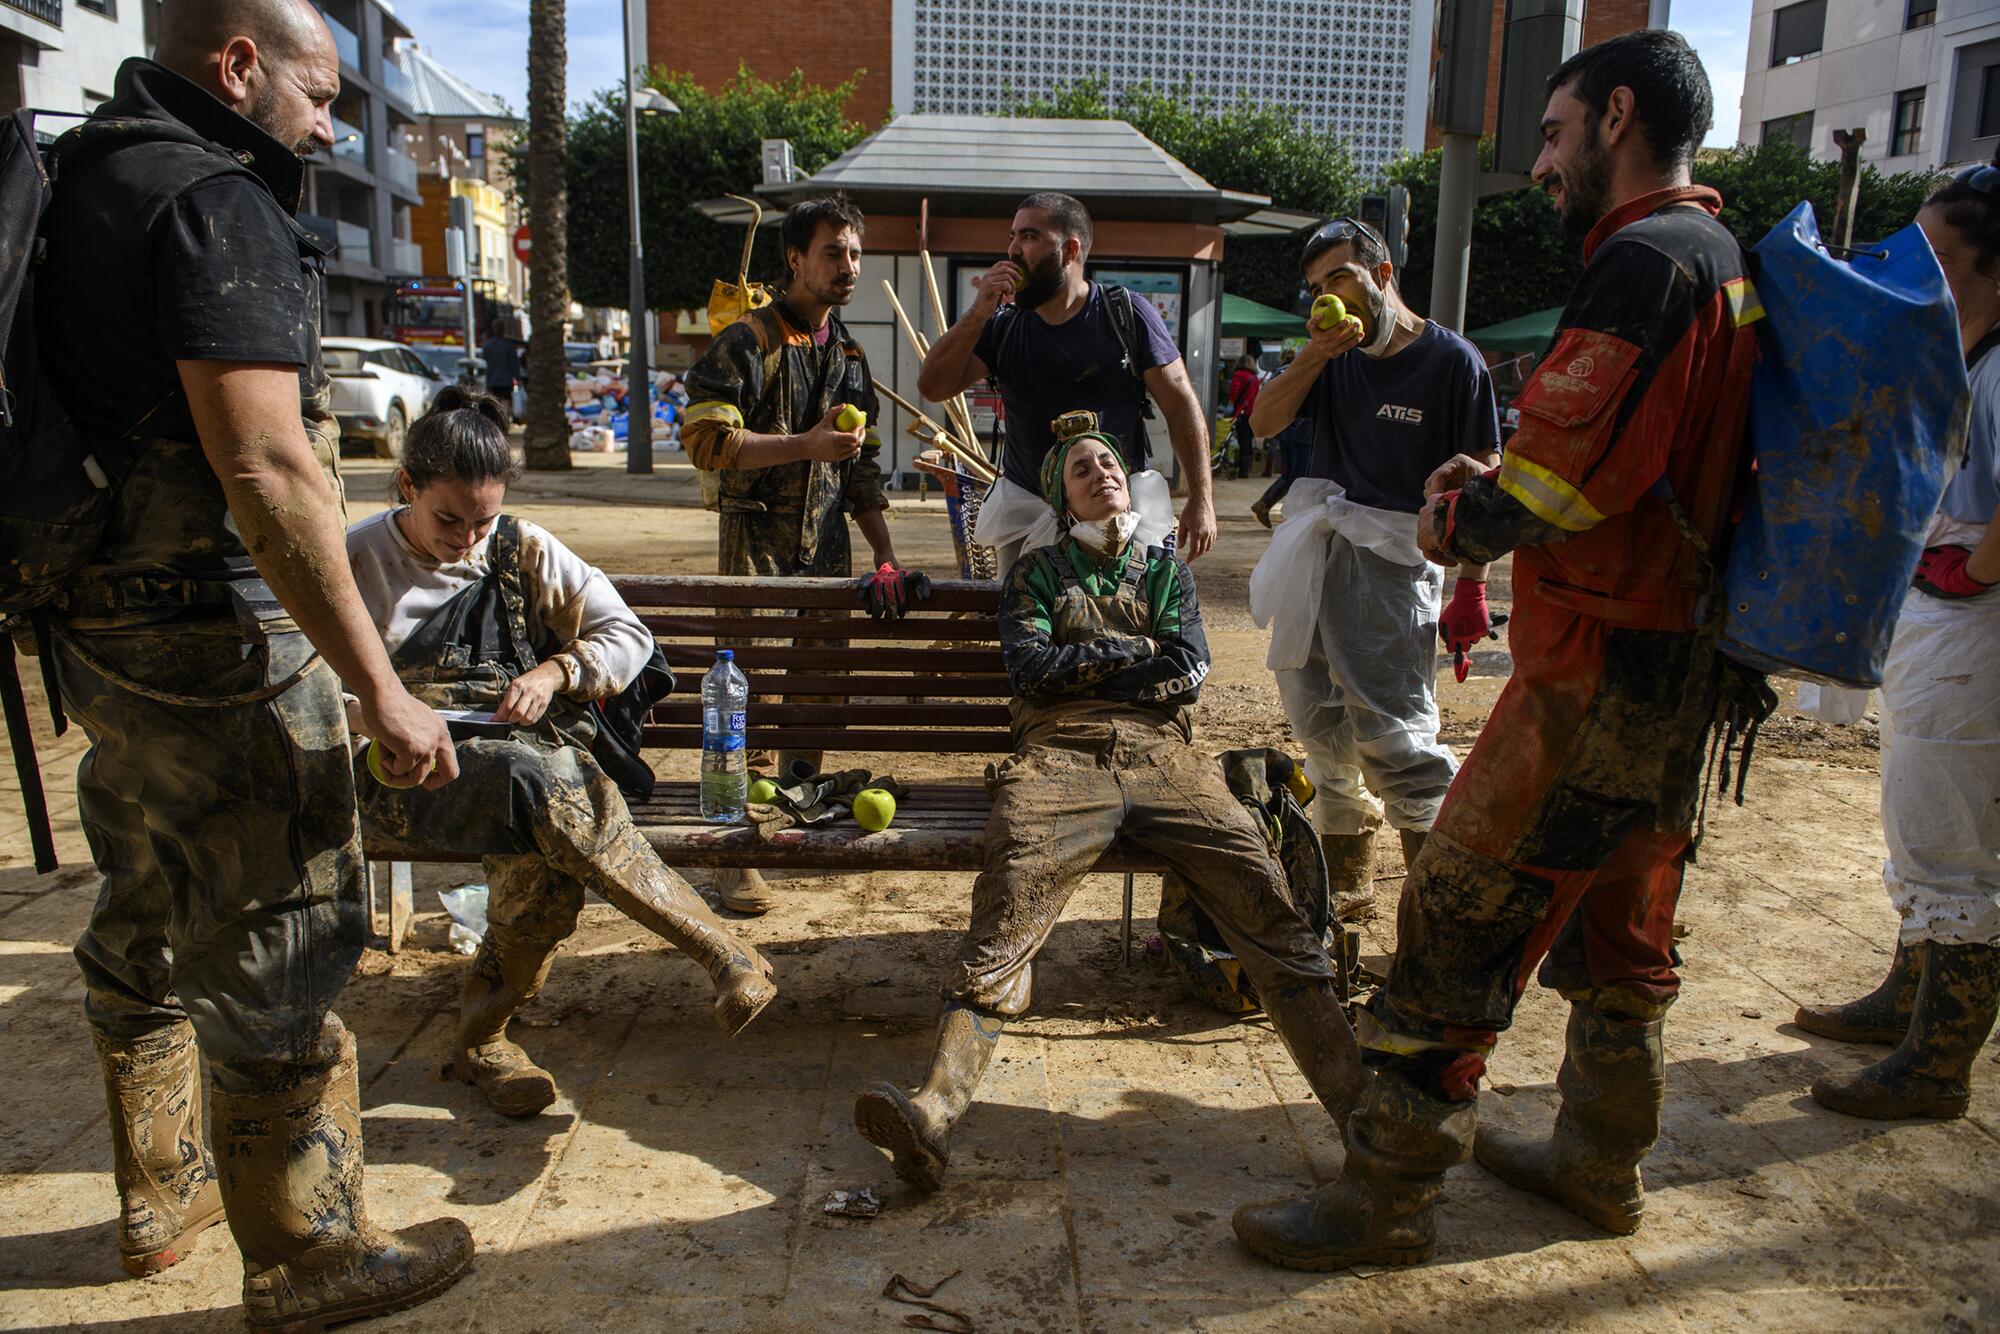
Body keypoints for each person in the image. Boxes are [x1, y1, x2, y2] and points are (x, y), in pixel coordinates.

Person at [1233, 31, 1760, 1269]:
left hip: (1597, 664)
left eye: (1555, 130)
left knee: (1458, 910)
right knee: (1626, 912)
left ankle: (1388, 1193)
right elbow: (1637, 457)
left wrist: (1455, 516)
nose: (1539, 162)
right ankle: (1597, 1154)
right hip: (1687, 651)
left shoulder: (1641, 260)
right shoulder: (1724, 258)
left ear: (1616, 116)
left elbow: (1555, 482)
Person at [34, 1, 472, 1322]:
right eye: (320, 93)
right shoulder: (211, 200)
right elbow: (269, 465)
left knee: (150, 893)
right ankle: (309, 1254)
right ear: (236, 66)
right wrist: (378, 679)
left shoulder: (73, 179)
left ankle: (158, 1194)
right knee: (285, 921)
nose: (330, 126)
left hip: (96, 624)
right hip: (215, 635)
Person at [851, 415, 1365, 1192]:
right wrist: (1133, 653)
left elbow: (1186, 671)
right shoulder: (1035, 572)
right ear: (1061, 496)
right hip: (1057, 760)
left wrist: (1092, 660)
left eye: (1109, 462)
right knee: (1008, 905)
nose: (1101, 473)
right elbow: (1031, 672)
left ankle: (1365, 1118)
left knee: (1265, 900)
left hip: (1166, 758)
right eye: (1082, 469)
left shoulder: (1166, 568)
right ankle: (932, 1112)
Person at [346, 389, 779, 1118]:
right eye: (447, 519)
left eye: (482, 520)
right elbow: (297, 681)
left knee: (545, 877)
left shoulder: (521, 547)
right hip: (397, 779)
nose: (466, 540)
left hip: (518, 779)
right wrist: (372, 717)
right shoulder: (353, 559)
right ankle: (721, 951)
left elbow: (627, 636)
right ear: (406, 488)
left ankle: (484, 1041)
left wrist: (556, 672)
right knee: (541, 774)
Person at [1792, 158, 2000, 1120]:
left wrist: (1975, 571)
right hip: (1944, 617)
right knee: (1917, 819)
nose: (1918, 272)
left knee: (1951, 841)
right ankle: (1906, 1003)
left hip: (1974, 626)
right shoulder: (1965, 356)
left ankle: (1938, 1062)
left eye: (1940, 257)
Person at [1246, 218, 1501, 926]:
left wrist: (1472, 587)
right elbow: (1265, 421)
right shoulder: (1332, 359)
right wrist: (1313, 357)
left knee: (1397, 737)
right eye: (1317, 288)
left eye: (1341, 280)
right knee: (1319, 720)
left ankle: (1439, 913)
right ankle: (1348, 883)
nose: (1328, 297)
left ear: (1383, 275)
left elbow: (1481, 484)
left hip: (1395, 564)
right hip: (1316, 550)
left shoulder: (1453, 363)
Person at [682, 193, 918, 915]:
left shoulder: (847, 354)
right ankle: (732, 842)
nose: (848, 267)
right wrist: (804, 444)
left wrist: (883, 557)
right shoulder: (744, 343)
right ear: (794, 259)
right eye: (832, 253)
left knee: (818, 688)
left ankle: (794, 804)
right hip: (753, 544)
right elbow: (705, 440)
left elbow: (865, 472)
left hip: (829, 551)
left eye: (854, 253)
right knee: (738, 696)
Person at [918, 191, 1218, 569]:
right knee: (1025, 627)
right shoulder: (1003, 326)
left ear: (1070, 250)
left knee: (1127, 624)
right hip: (1028, 521)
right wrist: (980, 310)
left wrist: (1201, 497)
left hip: (1117, 521)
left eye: (1028, 237)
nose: (1012, 250)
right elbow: (933, 386)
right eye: (1012, 236)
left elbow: (1180, 404)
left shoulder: (1126, 315)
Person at [1227, 353, 1263, 479]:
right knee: (1248, 441)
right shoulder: (1256, 378)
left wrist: (1231, 404)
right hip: (1252, 413)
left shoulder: (1239, 375)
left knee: (1242, 441)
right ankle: (1245, 469)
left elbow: (1234, 392)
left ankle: (1242, 470)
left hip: (1241, 412)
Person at [482, 316, 520, 415]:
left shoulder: (487, 345)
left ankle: (496, 422)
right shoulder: (509, 346)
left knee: (493, 403)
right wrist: (517, 378)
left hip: (491, 381)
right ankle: (504, 421)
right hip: (506, 382)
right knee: (505, 403)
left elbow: (483, 364)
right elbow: (514, 365)